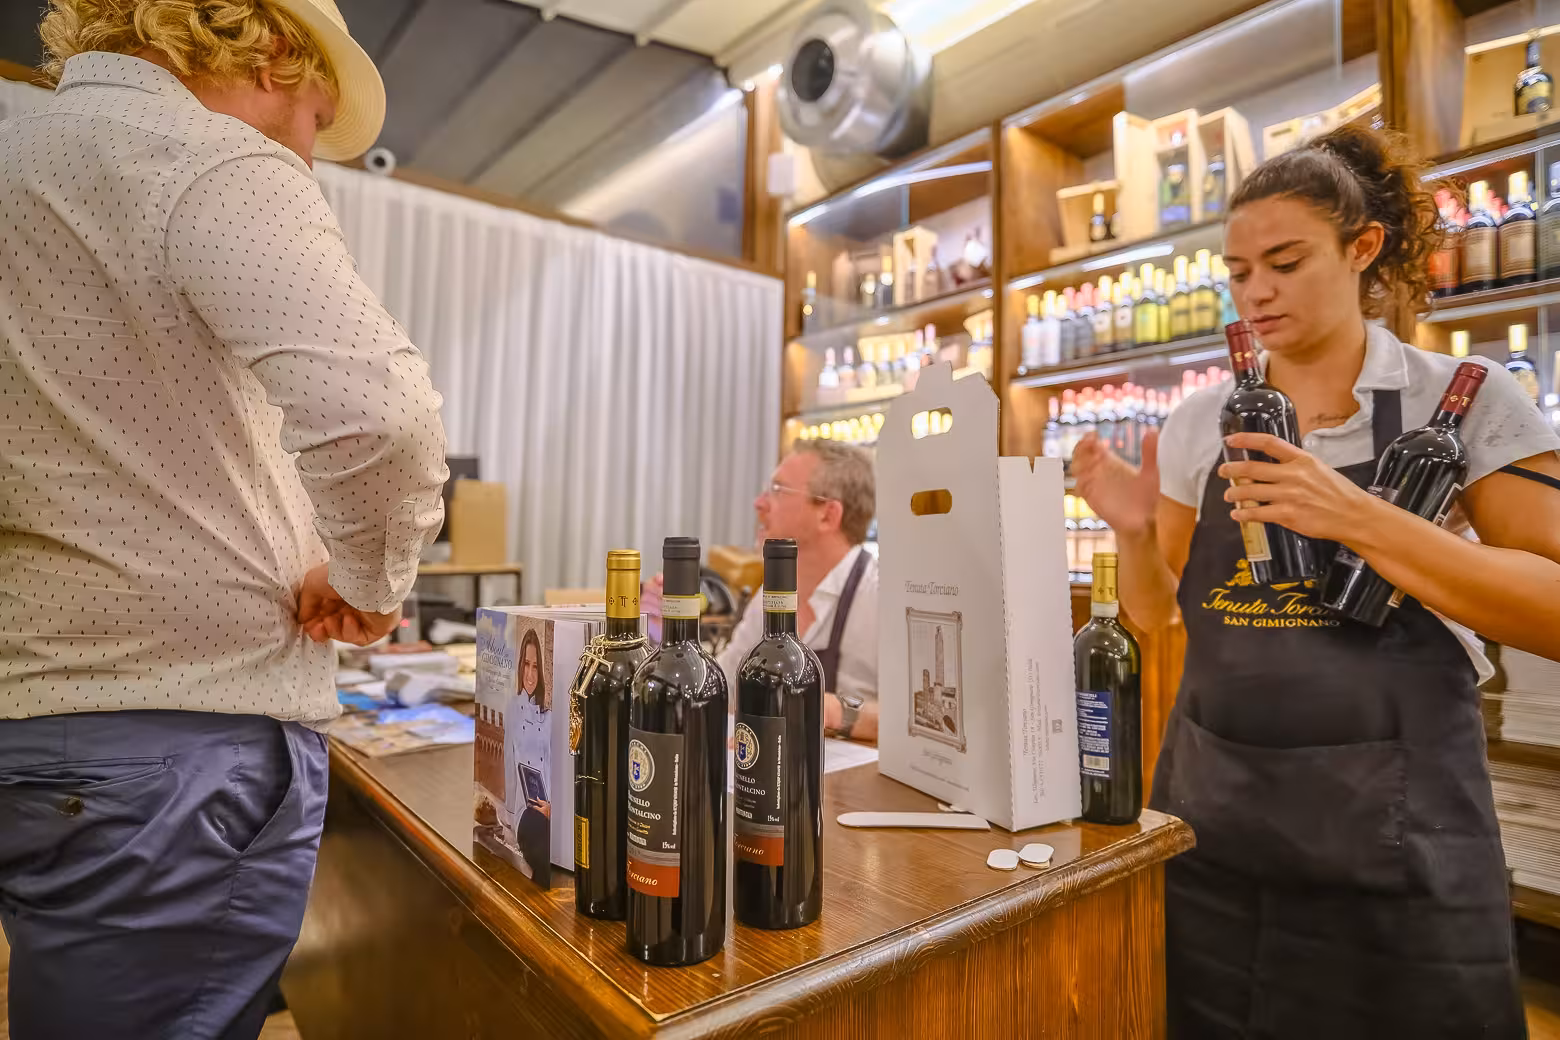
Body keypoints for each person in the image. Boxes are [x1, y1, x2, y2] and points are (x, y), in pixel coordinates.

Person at [0, 3, 448, 1038]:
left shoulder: (21, 151)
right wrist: (371, 585)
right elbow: (381, 419)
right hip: (177, 751)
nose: (306, 153)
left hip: (38, 722)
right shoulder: (203, 160)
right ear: (273, 49)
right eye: (314, 119)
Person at [1073, 123, 1560, 1038]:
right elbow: (1157, 615)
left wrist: (1354, 514)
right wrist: (1136, 534)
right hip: (1215, 835)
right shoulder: (1197, 424)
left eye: (1286, 263)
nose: (1257, 292)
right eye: (1239, 270)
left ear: (1362, 246)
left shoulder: (1462, 397)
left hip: (1403, 850)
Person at [643, 440, 880, 743]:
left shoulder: (879, 598)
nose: (759, 503)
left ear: (828, 515)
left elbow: (920, 722)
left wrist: (833, 712)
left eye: (778, 490)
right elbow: (725, 690)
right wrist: (668, 636)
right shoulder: (766, 599)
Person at [504, 628, 552, 878]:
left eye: (535, 667)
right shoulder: (512, 708)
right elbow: (509, 764)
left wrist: (552, 807)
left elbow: (554, 768)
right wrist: (509, 819)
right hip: (526, 812)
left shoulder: (550, 716)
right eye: (526, 665)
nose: (530, 675)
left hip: (550, 811)